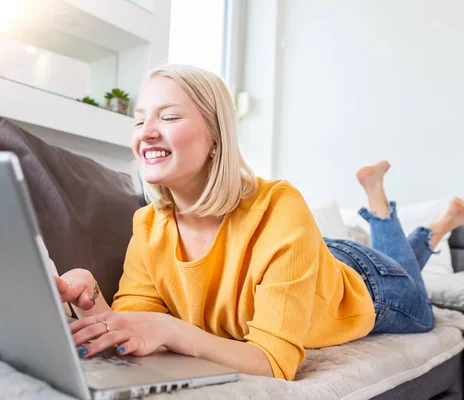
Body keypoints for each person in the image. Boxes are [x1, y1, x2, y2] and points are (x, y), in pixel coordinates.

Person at [54, 65, 464, 381]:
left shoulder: (279, 206)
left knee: (420, 295)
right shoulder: (147, 225)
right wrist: (88, 302)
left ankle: (393, 209)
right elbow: (136, 327)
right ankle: (423, 218)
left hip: (368, 283)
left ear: (215, 137)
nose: (147, 132)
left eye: (170, 117)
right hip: (309, 261)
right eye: (140, 120)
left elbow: (274, 362)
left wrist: (170, 330)